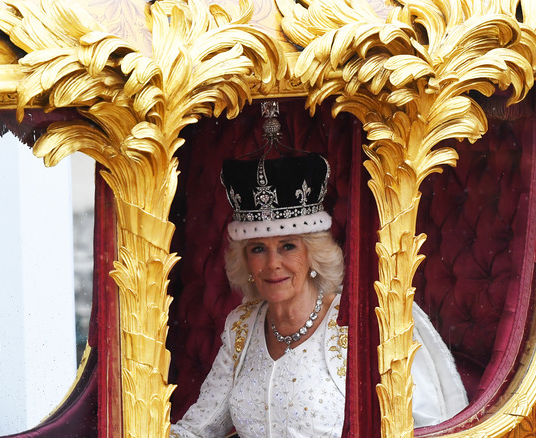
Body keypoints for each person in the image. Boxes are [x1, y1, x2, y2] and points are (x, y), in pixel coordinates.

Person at [170, 154, 468, 438]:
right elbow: (199, 428)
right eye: (258, 248)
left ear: (313, 254)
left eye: (288, 246)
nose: (273, 263)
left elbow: (426, 426)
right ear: (246, 261)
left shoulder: (361, 319)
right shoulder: (242, 326)